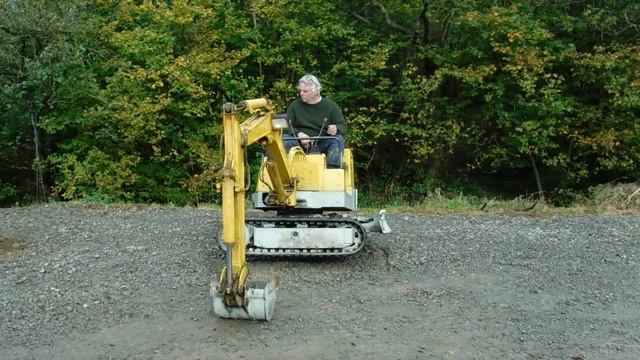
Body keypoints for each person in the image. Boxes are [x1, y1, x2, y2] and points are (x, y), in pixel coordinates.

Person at [284, 74, 347, 169]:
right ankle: (286, 171)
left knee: (337, 140)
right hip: (298, 142)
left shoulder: (331, 106)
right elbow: (285, 126)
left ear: (316, 91)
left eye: (305, 91)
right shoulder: (294, 106)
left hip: (322, 141)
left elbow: (342, 127)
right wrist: (299, 134)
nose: (301, 93)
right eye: (300, 90)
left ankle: (333, 171)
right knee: (284, 140)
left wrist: (336, 128)